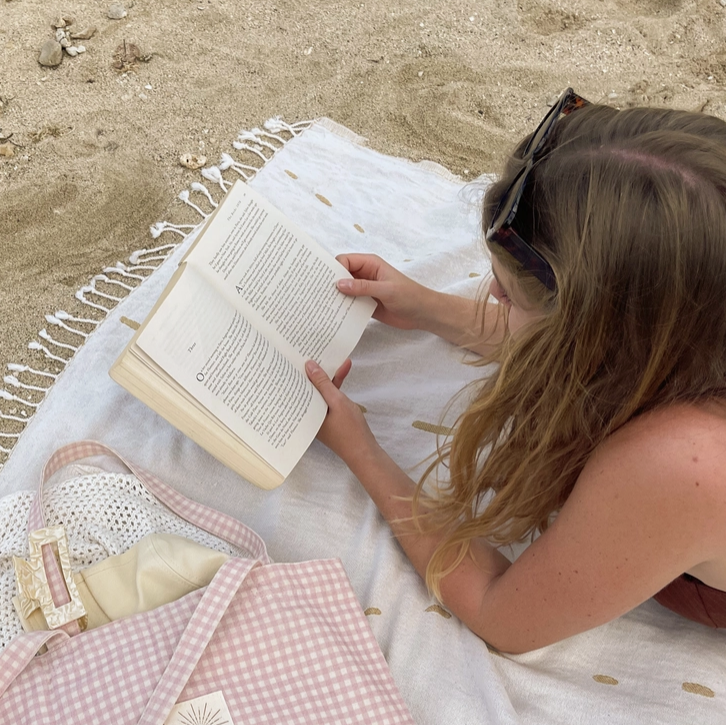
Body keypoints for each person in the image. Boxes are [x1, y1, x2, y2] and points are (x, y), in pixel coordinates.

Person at [305, 89, 726, 652]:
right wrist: (427, 307)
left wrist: (360, 446)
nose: (489, 296)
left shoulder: (684, 461)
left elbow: (500, 613)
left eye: (507, 296)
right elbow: (582, 348)